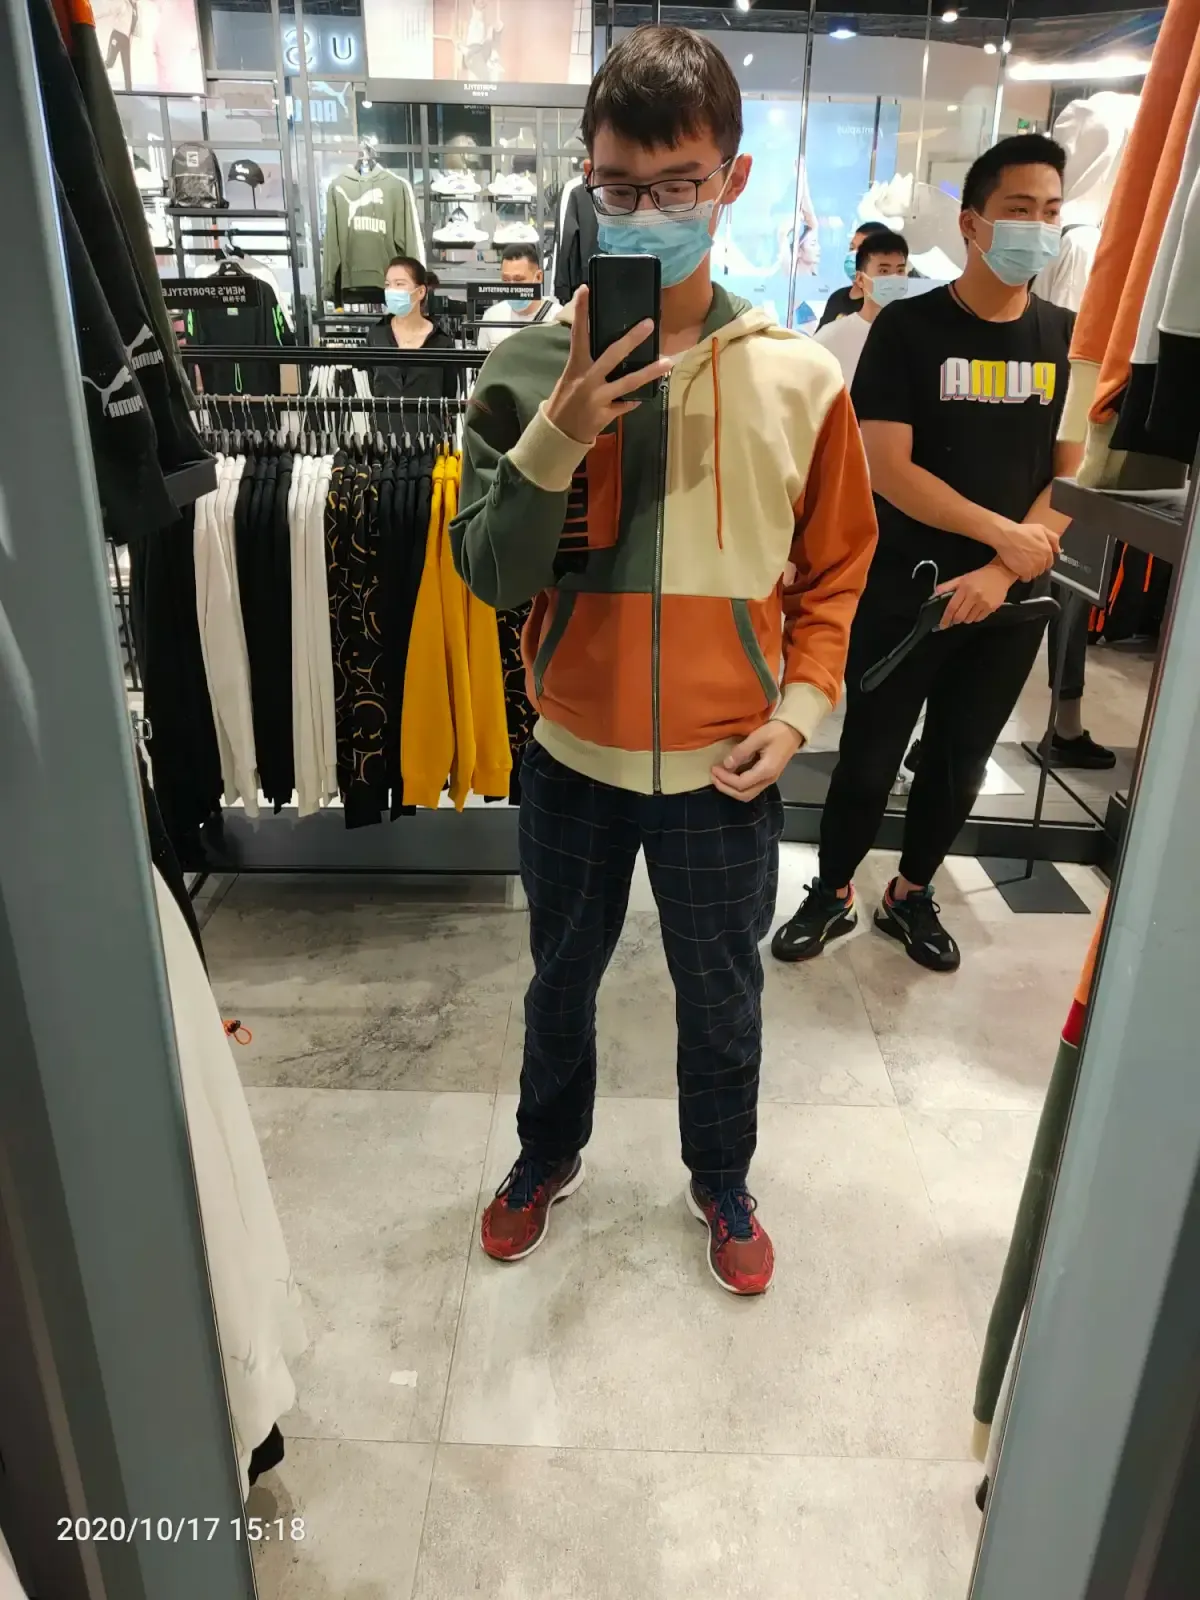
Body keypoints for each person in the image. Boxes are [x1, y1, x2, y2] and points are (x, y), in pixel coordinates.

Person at [452, 24, 876, 1295]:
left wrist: (799, 712)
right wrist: (559, 430)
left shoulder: (800, 379)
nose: (647, 212)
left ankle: (721, 1175)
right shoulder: (526, 367)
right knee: (557, 984)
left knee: (722, 994)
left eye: (677, 183)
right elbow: (489, 571)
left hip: (725, 766)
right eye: (619, 188)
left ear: (730, 180)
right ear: (586, 184)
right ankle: (545, 1152)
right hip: (571, 755)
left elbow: (837, 569)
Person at [772, 133, 1081, 975]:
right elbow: (888, 468)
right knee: (869, 755)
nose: (1038, 228)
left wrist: (1002, 570)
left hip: (1011, 599)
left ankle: (911, 893)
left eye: (1051, 211)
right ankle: (833, 889)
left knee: (959, 760)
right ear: (973, 223)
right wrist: (1001, 537)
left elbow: (1072, 475)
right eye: (1019, 210)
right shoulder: (909, 328)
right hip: (905, 589)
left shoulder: (1069, 338)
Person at [813, 227, 910, 386]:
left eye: (900, 270)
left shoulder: (917, 334)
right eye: (884, 270)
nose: (893, 278)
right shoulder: (832, 336)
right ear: (860, 279)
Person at [367, 256, 455, 401]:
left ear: (420, 292)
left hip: (428, 416)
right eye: (387, 284)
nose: (391, 290)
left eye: (399, 284)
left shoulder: (442, 343)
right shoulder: (376, 335)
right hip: (384, 416)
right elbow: (372, 387)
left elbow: (448, 395)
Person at [476, 244, 561, 352]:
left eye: (519, 280)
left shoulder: (558, 317)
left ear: (538, 277)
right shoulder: (492, 317)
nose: (512, 287)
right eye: (506, 280)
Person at [816, 220, 891, 329]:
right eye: (852, 248)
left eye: (862, 251)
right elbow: (819, 338)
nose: (853, 255)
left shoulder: (885, 309)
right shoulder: (837, 298)